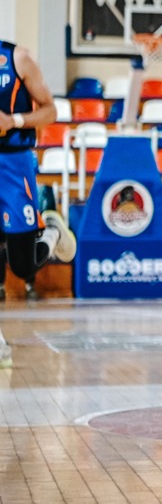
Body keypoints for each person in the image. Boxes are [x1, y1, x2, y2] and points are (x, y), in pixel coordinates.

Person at [0, 38, 73, 310]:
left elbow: (50, 111)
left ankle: (52, 231)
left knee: (23, 266)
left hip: (13, 163)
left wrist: (14, 121)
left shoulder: (17, 58)